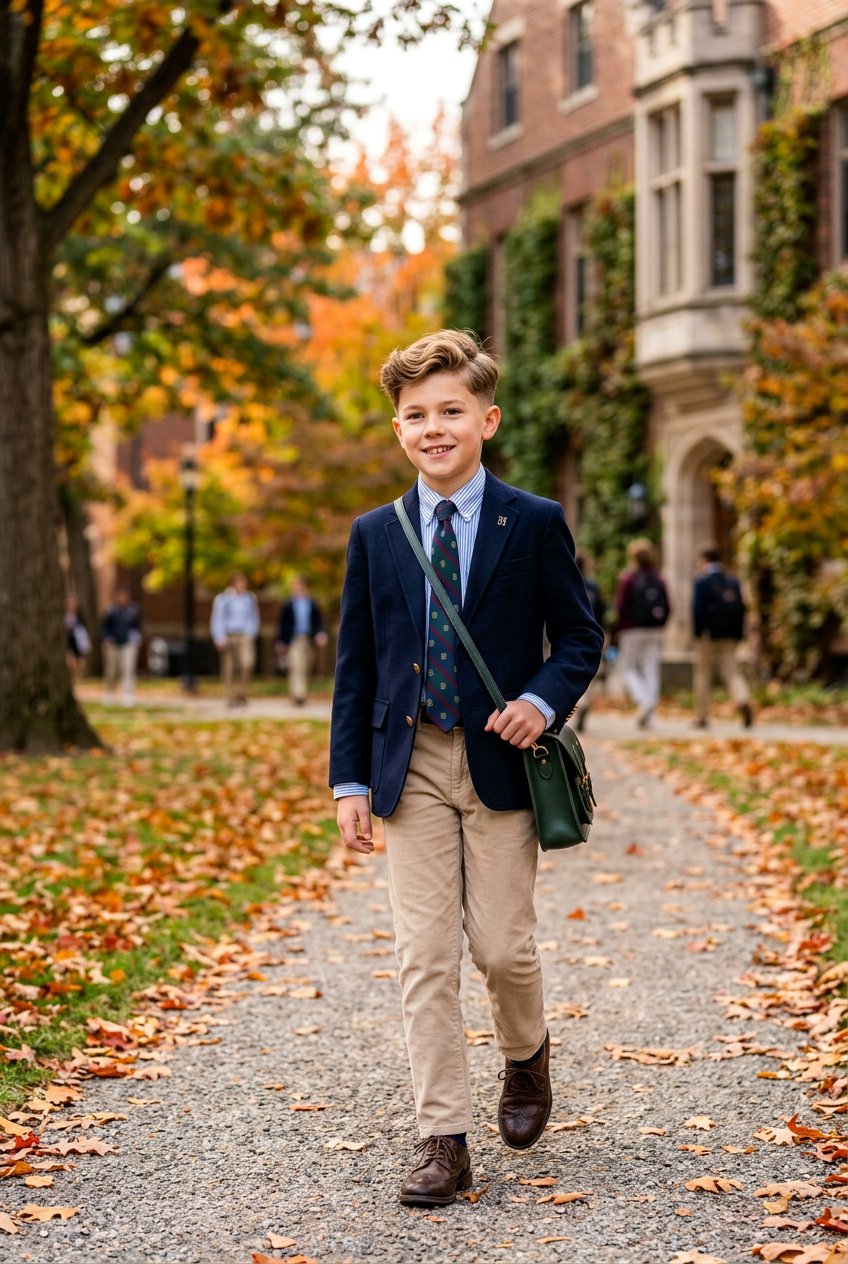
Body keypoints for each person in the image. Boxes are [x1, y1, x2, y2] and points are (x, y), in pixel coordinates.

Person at [329, 330, 603, 1208]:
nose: (434, 428)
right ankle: (442, 1137)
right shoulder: (377, 534)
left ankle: (526, 1056)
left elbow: (581, 637)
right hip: (407, 765)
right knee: (424, 956)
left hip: (502, 763)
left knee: (501, 949)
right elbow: (356, 665)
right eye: (416, 415)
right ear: (398, 430)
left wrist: (540, 702)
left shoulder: (534, 521)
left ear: (487, 420)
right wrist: (349, 781)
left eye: (451, 411)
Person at [692, 545, 753, 729]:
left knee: (703, 674)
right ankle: (742, 700)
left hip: (707, 635)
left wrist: (697, 633)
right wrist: (739, 634)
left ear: (704, 560)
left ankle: (702, 715)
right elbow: (742, 609)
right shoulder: (733, 581)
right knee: (732, 672)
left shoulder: (702, 582)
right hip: (730, 635)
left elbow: (697, 610)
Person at [613, 537, 670, 729]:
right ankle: (650, 712)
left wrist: (619, 627)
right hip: (654, 630)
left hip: (632, 629)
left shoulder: (628, 578)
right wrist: (660, 624)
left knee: (627, 667)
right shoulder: (659, 578)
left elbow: (621, 606)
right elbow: (668, 605)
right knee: (650, 668)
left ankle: (644, 699)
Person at [275, 577, 328, 705]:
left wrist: (321, 634)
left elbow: (318, 621)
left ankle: (302, 692)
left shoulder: (312, 603)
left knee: (307, 666)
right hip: (294, 639)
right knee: (296, 666)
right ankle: (298, 695)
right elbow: (282, 624)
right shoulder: (288, 604)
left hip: (308, 638)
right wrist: (280, 641)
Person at [210, 573, 260, 707]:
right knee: (229, 667)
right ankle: (230, 696)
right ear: (233, 584)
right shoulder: (223, 599)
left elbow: (254, 617)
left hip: (244, 635)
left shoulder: (249, 598)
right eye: (240, 582)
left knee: (247, 664)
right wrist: (219, 637)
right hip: (228, 635)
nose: (243, 585)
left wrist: (251, 633)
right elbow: (217, 619)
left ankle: (241, 693)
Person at [572, 554, 607, 733]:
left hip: (563, 634)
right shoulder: (592, 585)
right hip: (590, 633)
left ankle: (579, 702)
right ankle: (584, 701)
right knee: (586, 672)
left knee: (568, 669)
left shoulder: (565, 581)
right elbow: (601, 609)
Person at [101, 586, 142, 706]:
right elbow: (105, 627)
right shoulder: (111, 611)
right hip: (113, 644)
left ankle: (128, 693)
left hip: (128, 644)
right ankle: (110, 692)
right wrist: (107, 638)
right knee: (112, 670)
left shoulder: (133, 611)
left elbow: (137, 627)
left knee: (128, 668)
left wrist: (136, 638)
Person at [64, 595, 91, 684]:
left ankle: (75, 680)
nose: (71, 605)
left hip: (78, 643)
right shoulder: (64, 616)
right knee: (71, 663)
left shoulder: (80, 617)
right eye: (69, 603)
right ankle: (72, 680)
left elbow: (84, 630)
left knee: (79, 663)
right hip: (69, 642)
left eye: (73, 603)